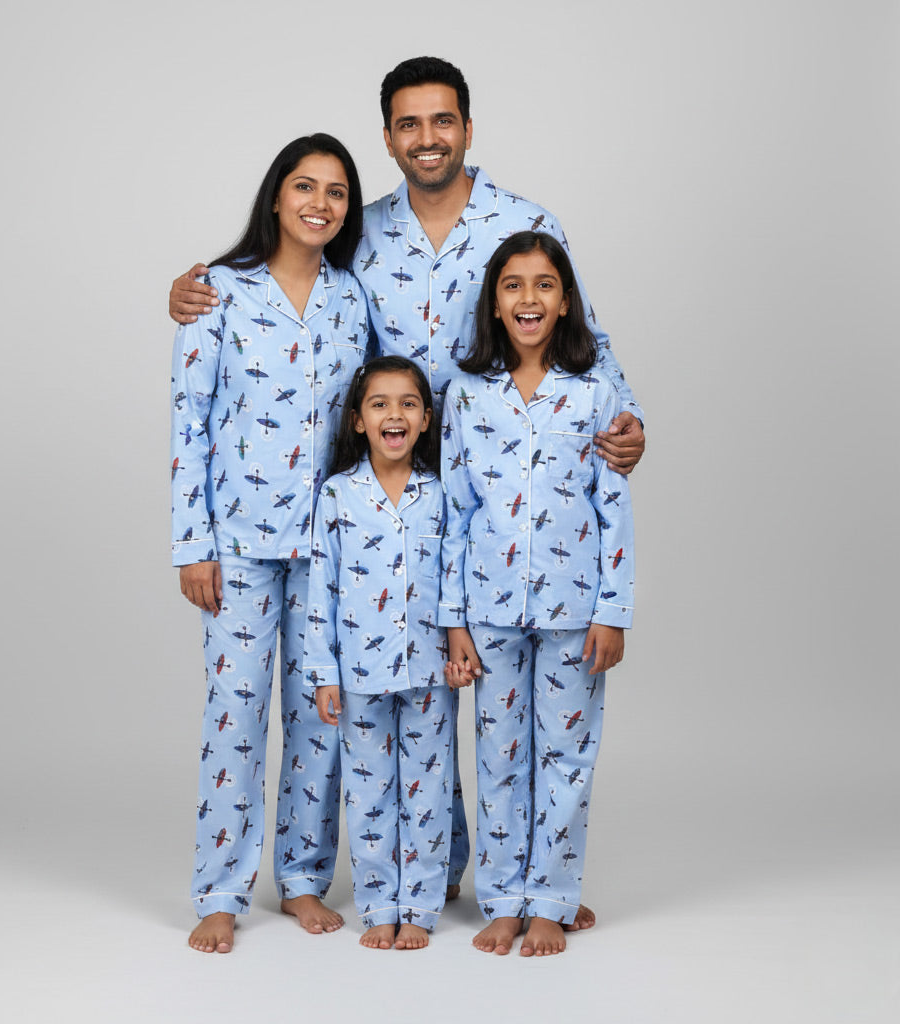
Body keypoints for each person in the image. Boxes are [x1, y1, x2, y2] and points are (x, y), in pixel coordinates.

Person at [167, 57, 645, 914]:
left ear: (467, 125)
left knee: (443, 700)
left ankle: (506, 879)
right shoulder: (360, 241)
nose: (428, 138)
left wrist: (627, 423)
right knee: (343, 701)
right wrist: (191, 288)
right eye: (409, 124)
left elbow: (587, 343)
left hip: (468, 500)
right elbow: (238, 351)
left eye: (443, 121)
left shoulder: (526, 224)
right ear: (388, 137)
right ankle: (248, 888)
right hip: (347, 505)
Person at [171, 133, 371, 953]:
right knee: (238, 711)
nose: (320, 203)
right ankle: (221, 890)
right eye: (304, 187)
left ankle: (301, 878)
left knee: (321, 712)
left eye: (336, 192)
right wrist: (192, 543)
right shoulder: (217, 293)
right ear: (276, 196)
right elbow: (189, 421)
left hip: (329, 546)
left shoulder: (353, 300)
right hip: (240, 543)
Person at [439, 231, 635, 957]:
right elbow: (454, 511)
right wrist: (452, 618)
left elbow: (613, 508)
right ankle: (504, 898)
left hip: (573, 610)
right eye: (513, 285)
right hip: (488, 610)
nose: (529, 299)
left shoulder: (594, 394)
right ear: (493, 303)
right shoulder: (466, 395)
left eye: (544, 285)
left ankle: (550, 899)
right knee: (498, 756)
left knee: (566, 757)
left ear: (565, 301)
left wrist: (613, 611)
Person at [305, 356, 471, 949]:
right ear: (357, 421)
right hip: (358, 673)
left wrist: (460, 641)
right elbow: (320, 589)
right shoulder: (337, 497)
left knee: (426, 792)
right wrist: (324, 672)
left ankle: (420, 909)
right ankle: (379, 905)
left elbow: (457, 574)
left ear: (427, 419)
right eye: (379, 404)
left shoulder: (442, 495)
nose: (393, 414)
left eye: (407, 403)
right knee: (370, 792)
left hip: (430, 670)